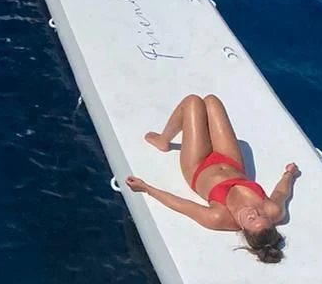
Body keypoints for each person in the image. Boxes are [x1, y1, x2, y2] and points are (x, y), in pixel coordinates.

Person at [125, 93, 299, 264]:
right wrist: (289, 174)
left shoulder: (219, 217)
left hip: (197, 166)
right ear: (270, 219)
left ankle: (163, 140)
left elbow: (181, 205)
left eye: (252, 219)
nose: (254, 212)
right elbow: (282, 192)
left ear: (243, 229)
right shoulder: (273, 210)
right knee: (211, 101)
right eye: (261, 215)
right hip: (231, 161)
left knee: (192, 102)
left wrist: (146, 188)